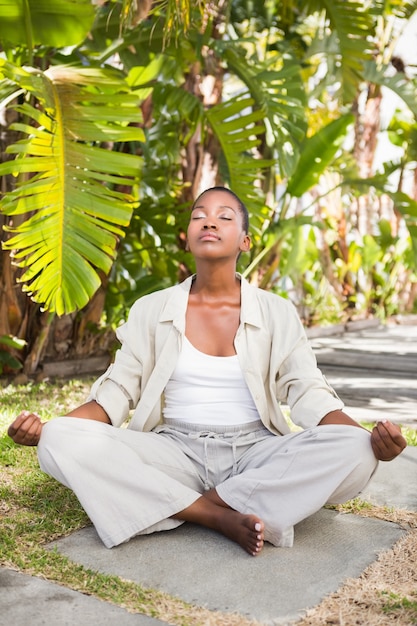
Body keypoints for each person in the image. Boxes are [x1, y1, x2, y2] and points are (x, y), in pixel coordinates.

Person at [8, 186, 407, 557]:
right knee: (59, 438)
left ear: (245, 242)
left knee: (355, 450)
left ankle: (188, 502)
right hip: (172, 450)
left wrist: (366, 438)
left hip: (255, 452)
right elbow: (116, 394)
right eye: (199, 215)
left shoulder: (276, 311)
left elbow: (308, 393)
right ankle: (218, 514)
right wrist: (47, 431)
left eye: (225, 216)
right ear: (188, 236)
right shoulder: (152, 308)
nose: (209, 221)